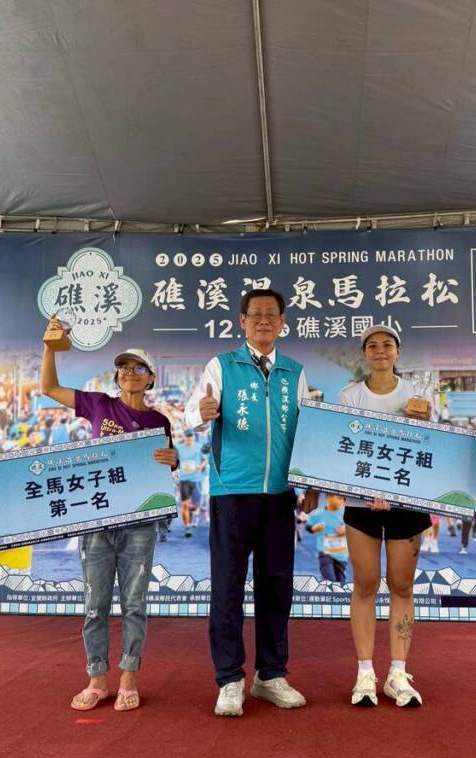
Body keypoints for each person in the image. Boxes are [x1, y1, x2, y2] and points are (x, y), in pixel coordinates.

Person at [185, 288, 318, 717]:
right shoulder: (221, 366)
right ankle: (229, 679)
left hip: (280, 495)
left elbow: (306, 431)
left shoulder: (294, 372)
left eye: (271, 314)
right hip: (232, 493)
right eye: (255, 314)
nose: (264, 320)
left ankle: (270, 675)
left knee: (276, 588)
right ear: (241, 321)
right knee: (227, 588)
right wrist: (202, 411)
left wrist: (311, 484)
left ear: (283, 322)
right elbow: (190, 413)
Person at [40, 316, 178, 713]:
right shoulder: (99, 404)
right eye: (124, 367)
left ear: (151, 379)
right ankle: (97, 679)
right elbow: (49, 388)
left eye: (138, 368)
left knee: (134, 604)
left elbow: (165, 467)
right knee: (95, 605)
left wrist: (173, 459)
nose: (130, 373)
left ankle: (129, 678)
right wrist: (50, 347)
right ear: (117, 376)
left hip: (139, 524)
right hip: (98, 521)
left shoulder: (159, 421)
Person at [338, 325, 431, 708]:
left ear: (397, 351)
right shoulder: (349, 396)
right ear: (365, 353)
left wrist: (424, 424)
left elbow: (430, 449)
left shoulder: (418, 395)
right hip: (362, 505)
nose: (380, 351)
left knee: (401, 586)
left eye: (387, 345)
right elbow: (344, 448)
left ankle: (397, 672)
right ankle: (364, 672)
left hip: (406, 505)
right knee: (364, 585)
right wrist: (369, 490)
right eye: (372, 345)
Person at [305, 494, 349, 584]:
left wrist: (345, 531)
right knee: (329, 579)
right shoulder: (318, 514)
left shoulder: (346, 514)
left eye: (342, 499)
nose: (339, 501)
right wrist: (314, 528)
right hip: (325, 552)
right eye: (337, 497)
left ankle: (338, 592)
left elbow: (355, 530)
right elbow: (308, 526)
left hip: (341, 554)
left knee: (341, 580)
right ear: (328, 497)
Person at [175, 430, 207, 537]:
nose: (189, 440)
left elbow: (205, 460)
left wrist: (200, 467)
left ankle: (192, 510)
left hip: (196, 479)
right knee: (185, 505)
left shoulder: (199, 446)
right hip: (184, 479)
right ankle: (187, 527)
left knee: (195, 505)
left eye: (191, 438)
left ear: (193, 437)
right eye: (187, 438)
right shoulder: (179, 448)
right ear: (184, 437)